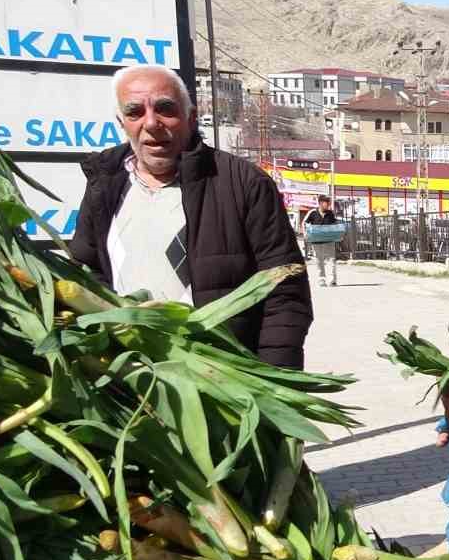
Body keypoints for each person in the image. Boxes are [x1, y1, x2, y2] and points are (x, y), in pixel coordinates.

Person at [70, 65, 312, 368]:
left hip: (224, 377)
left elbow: (285, 291)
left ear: (191, 117)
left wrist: (277, 384)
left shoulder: (242, 183)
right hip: (132, 377)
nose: (151, 123)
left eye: (165, 109)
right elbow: (88, 273)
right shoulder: (104, 185)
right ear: (122, 122)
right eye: (134, 112)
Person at [302, 195, 341, 287]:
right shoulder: (312, 213)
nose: (328, 205)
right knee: (319, 261)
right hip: (316, 241)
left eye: (328, 203)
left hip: (329, 241)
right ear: (320, 203)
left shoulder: (330, 213)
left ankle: (332, 280)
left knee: (331, 260)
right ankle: (321, 279)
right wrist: (305, 235)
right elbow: (304, 223)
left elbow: (334, 224)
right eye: (326, 203)